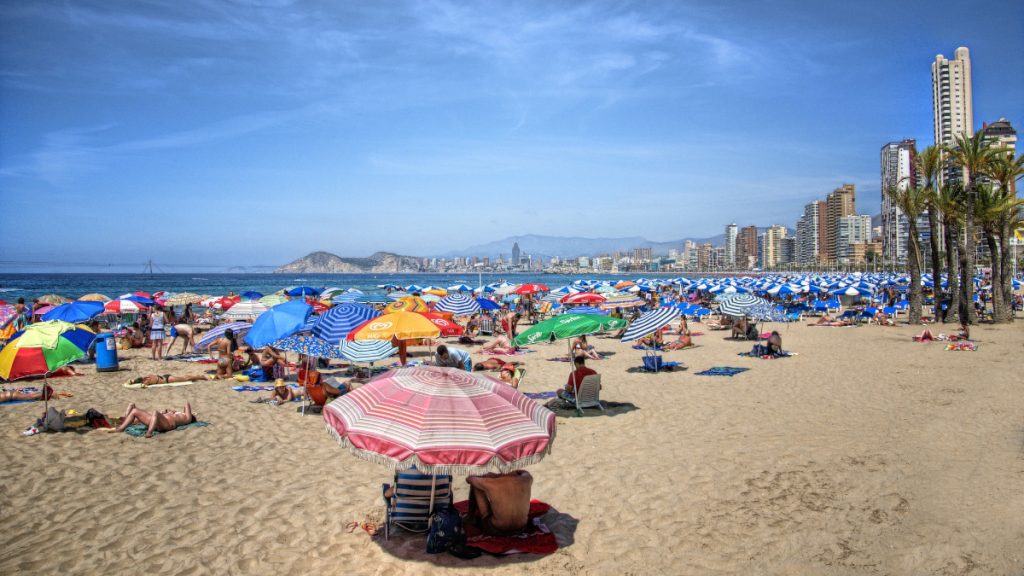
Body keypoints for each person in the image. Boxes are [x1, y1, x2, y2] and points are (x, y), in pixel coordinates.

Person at [466, 470, 533, 536]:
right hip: (521, 528)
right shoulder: (526, 479)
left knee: (476, 485)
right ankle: (471, 517)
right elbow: (524, 472)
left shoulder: (491, 482)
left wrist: (493, 476)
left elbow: (469, 479)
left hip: (496, 529)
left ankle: (470, 517)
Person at [115, 402, 196, 438]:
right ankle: (121, 428)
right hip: (156, 421)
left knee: (155, 413)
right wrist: (167, 412)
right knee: (134, 411)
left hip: (166, 424)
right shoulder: (176, 414)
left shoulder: (187, 418)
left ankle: (149, 433)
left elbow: (187, 403)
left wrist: (179, 412)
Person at [128, 373, 218, 386]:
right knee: (185, 377)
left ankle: (202, 377)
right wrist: (132, 381)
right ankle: (200, 377)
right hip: (166, 377)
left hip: (168, 380)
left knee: (185, 378)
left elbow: (143, 385)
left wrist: (133, 383)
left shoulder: (147, 381)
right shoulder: (148, 376)